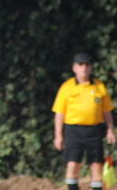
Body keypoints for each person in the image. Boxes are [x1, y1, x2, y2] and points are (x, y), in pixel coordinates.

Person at [52, 52, 116, 190]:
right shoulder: (67, 87)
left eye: (87, 65)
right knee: (73, 164)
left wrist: (110, 129)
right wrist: (58, 135)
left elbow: (107, 111)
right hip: (73, 130)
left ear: (91, 67)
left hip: (94, 130)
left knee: (96, 165)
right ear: (74, 68)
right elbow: (59, 113)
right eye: (80, 65)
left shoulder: (99, 86)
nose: (84, 68)